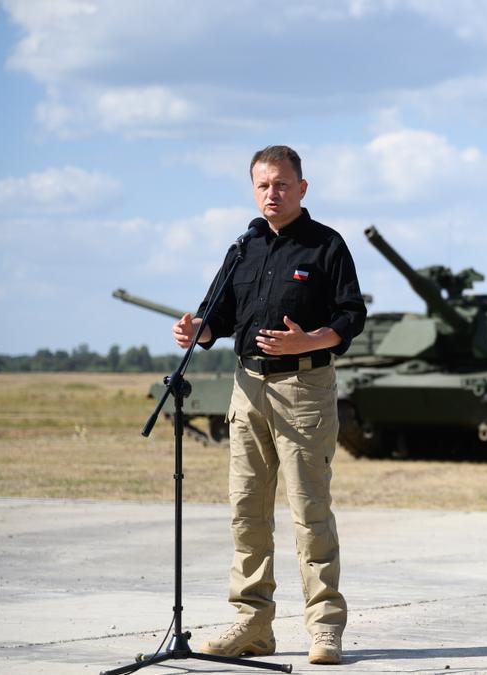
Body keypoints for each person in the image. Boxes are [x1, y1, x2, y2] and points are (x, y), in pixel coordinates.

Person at [172, 145, 365, 665]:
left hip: (305, 391)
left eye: (281, 184)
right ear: (252, 189)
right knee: (247, 512)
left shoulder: (327, 246)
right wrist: (198, 330)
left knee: (309, 511)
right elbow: (221, 316)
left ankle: (324, 627)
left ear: (303, 188)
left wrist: (312, 341)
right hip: (248, 388)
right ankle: (252, 624)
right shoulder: (244, 247)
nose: (271, 194)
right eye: (262, 185)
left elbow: (353, 316)